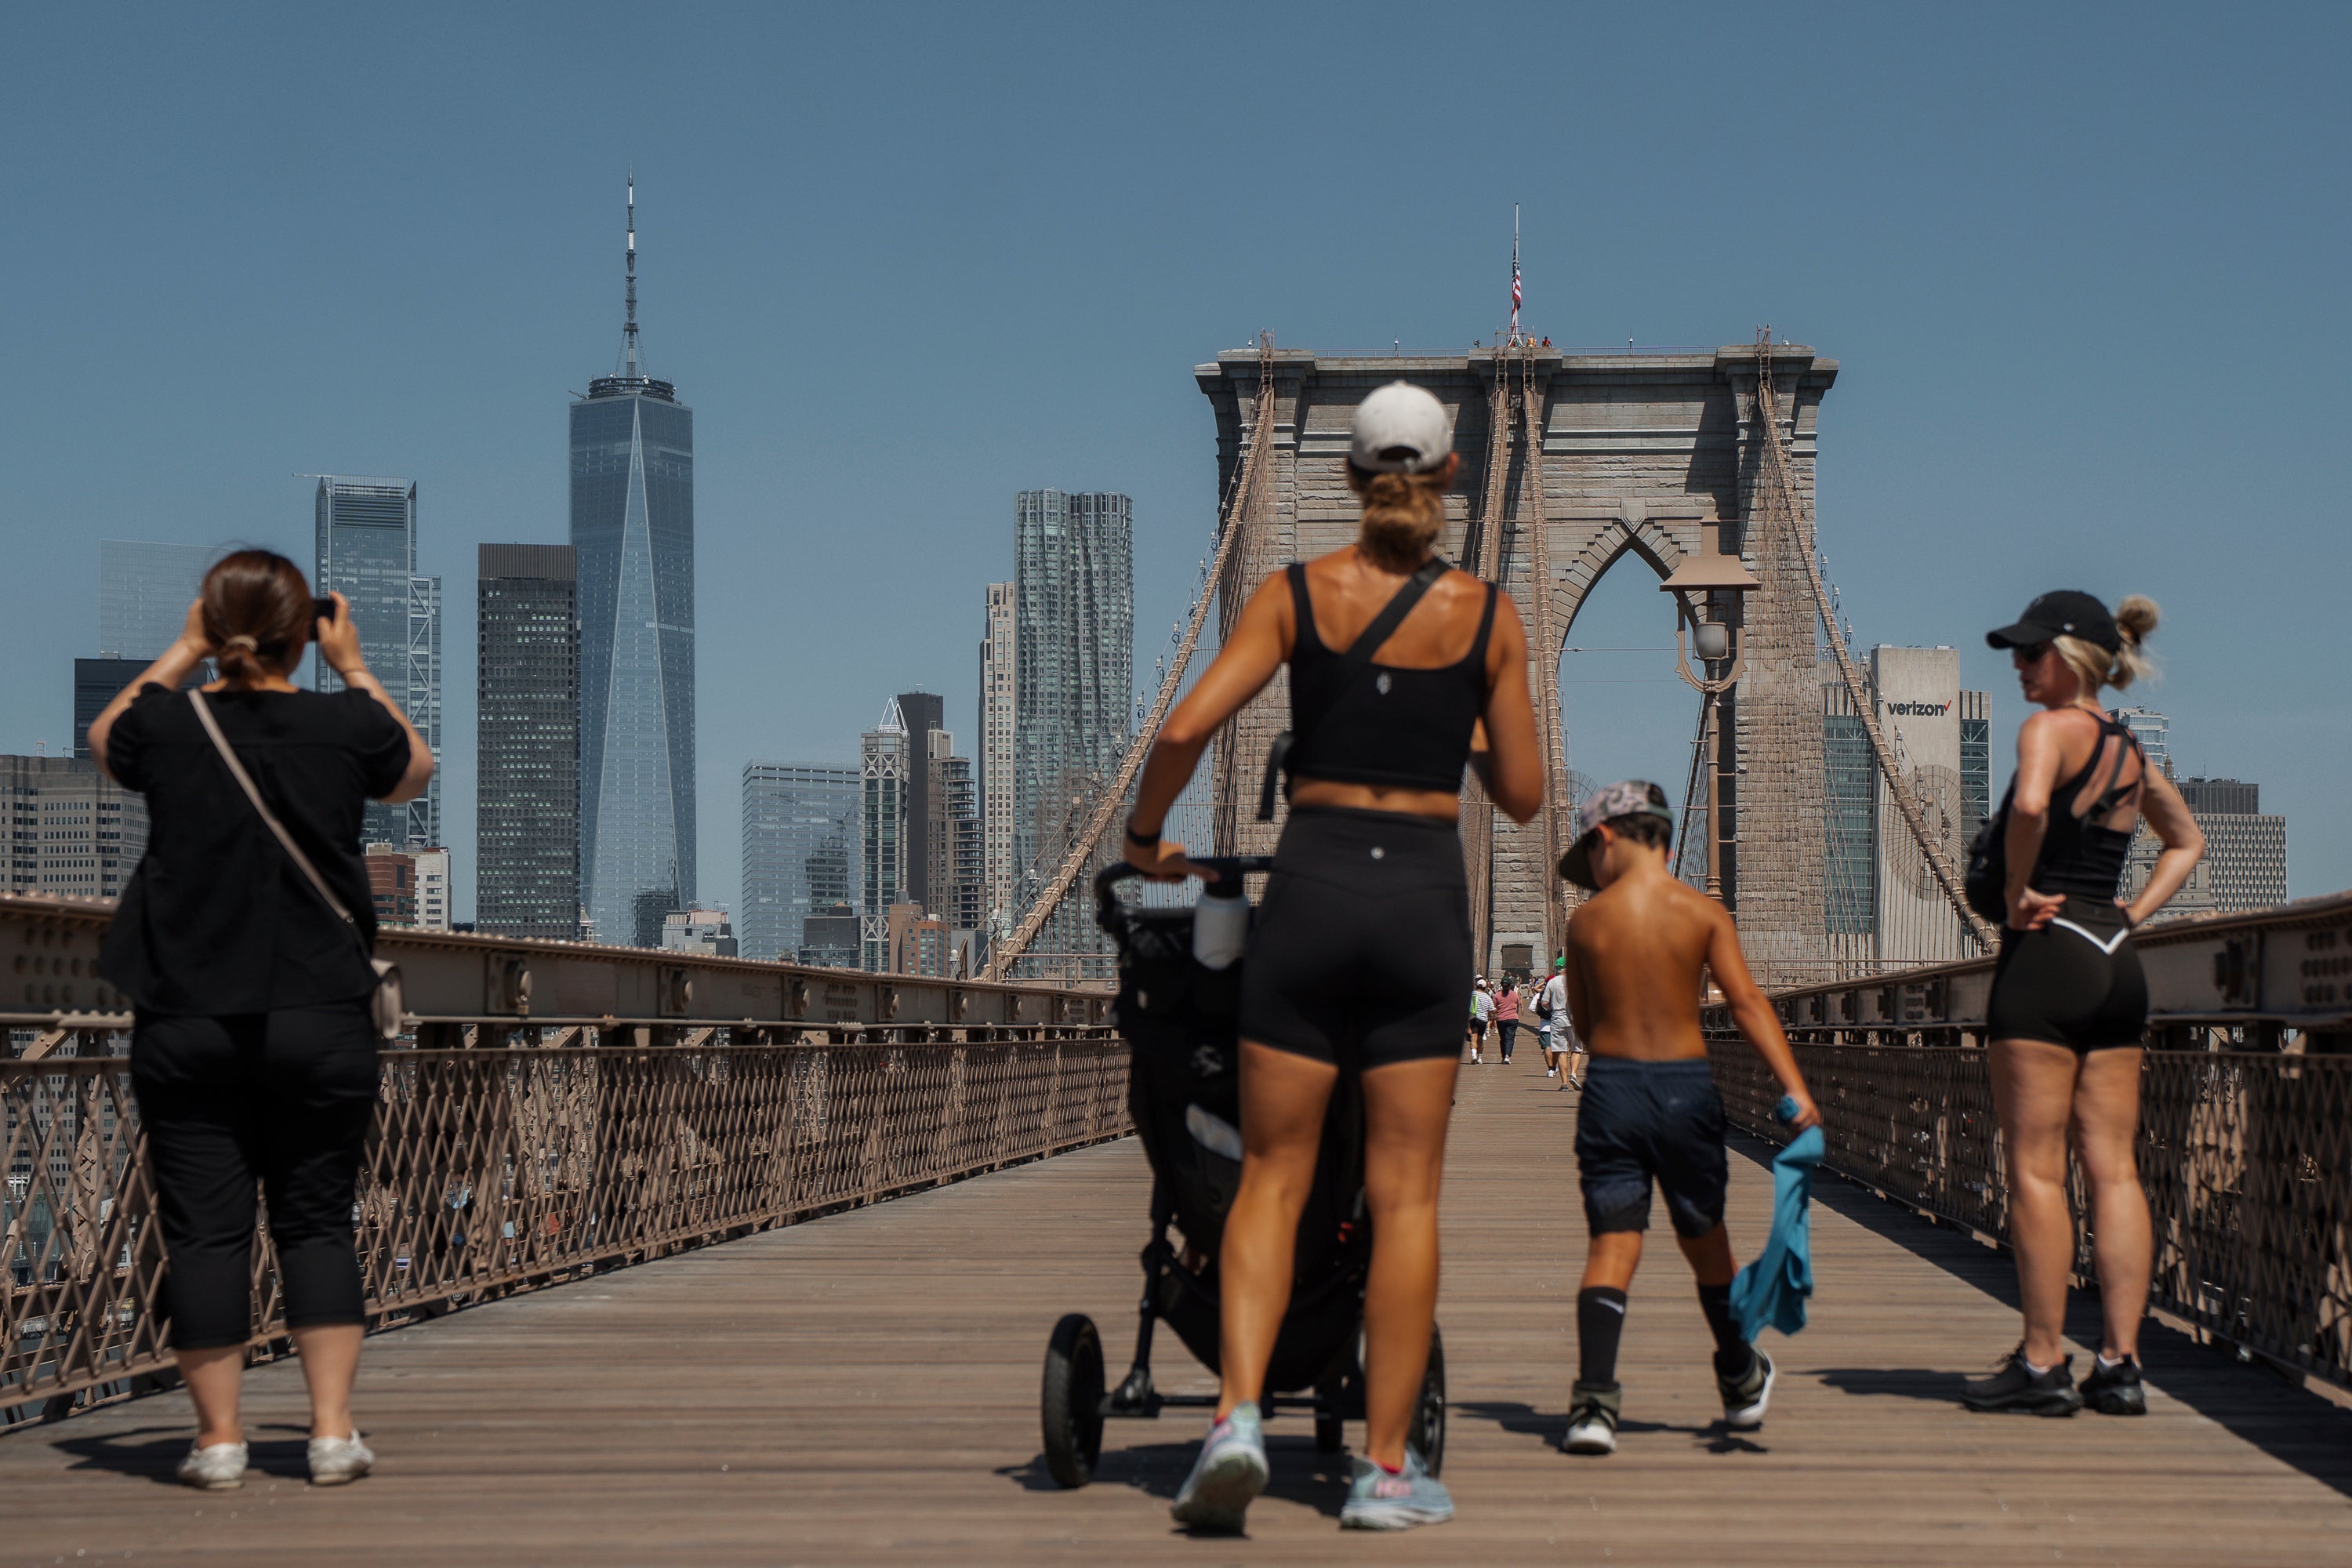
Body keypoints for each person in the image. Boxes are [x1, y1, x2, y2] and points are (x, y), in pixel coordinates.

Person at [1123, 381, 1543, 1531]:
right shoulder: (1490, 617)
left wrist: (1146, 838)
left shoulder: (1295, 595)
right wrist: (1448, 715)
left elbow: (1180, 730)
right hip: (1420, 899)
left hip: (1307, 894)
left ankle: (1240, 1420)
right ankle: (1387, 1471)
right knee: (1406, 1200)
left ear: (1353, 482)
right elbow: (1521, 797)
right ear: (1451, 477)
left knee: (1272, 1176)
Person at [89, 551, 434, 1490]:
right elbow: (414, 771)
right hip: (319, 1012)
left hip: (189, 1014)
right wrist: (356, 664)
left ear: (213, 622)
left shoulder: (169, 723)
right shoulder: (340, 725)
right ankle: (329, 1434)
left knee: (205, 1231)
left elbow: (104, 736)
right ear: (303, 632)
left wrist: (185, 646)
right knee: (316, 1221)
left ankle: (218, 1441)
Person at [1962, 592, 2201, 1417]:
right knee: (2115, 1166)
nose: (2020, 667)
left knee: (2035, 1168)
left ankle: (2041, 1361)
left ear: (2072, 659)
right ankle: (2122, 1364)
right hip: (2116, 958)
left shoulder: (2047, 730)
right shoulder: (2130, 751)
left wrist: (2021, 888)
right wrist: (2134, 913)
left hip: (2049, 952)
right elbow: (2187, 840)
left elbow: (2029, 806)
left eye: (2031, 654)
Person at [1553, 780, 1821, 1457]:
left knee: (1612, 1247)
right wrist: (1796, 1091)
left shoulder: (1585, 923)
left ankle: (1593, 1406)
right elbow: (1749, 1004)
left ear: (1607, 839)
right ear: (1668, 840)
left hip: (1611, 1091)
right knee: (1708, 1245)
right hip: (1684, 1092)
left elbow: (1583, 1026)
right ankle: (1737, 1378)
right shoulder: (1702, 913)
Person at [1538, 956, 1570, 1082]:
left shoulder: (1552, 982)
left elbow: (1544, 1003)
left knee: (1561, 1050)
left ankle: (1564, 1081)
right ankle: (1574, 1073)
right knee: (1575, 1050)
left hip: (1556, 1018)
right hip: (1573, 1019)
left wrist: (1553, 1009)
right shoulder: (1575, 980)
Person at [1493, 975, 1520, 1065]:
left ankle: (1504, 1055)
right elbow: (1517, 1006)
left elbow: (1494, 1007)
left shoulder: (1497, 996)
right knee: (1510, 1038)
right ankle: (1507, 1056)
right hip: (1513, 1018)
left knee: (1503, 1038)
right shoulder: (1514, 995)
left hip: (1501, 1019)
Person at [1467, 978, 1493, 1063]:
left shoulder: (1471, 994)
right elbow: (1492, 1010)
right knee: (1480, 1039)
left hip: (1473, 1018)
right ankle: (1480, 1058)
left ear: (1476, 985)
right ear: (1485, 988)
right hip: (1483, 1020)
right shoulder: (1487, 997)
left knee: (1473, 1038)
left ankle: (1474, 1055)